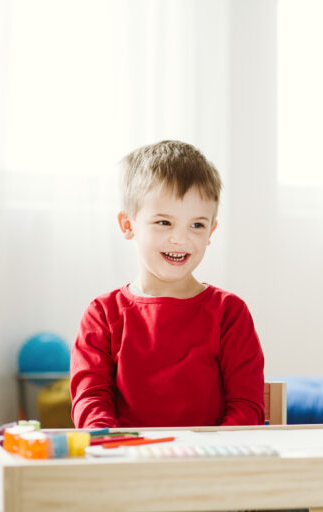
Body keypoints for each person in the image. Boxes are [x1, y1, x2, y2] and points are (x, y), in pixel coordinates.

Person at [70, 140, 265, 428]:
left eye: (196, 225)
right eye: (164, 222)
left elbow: (246, 406)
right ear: (128, 225)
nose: (180, 239)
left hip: (208, 465)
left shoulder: (229, 313)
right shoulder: (102, 313)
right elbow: (91, 400)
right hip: (126, 461)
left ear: (211, 231)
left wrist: (219, 455)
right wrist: (111, 448)